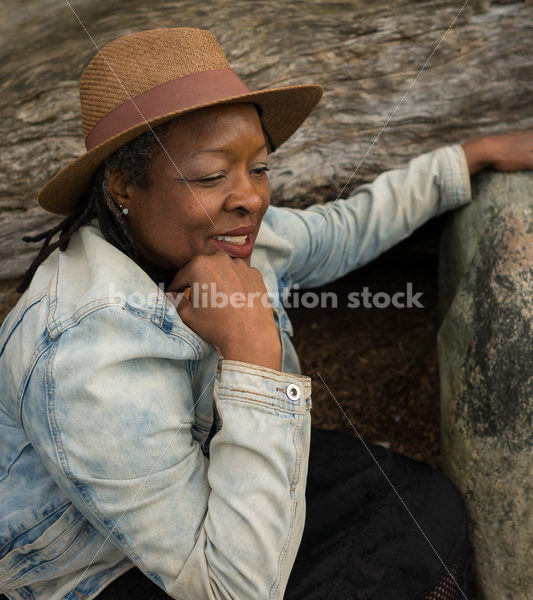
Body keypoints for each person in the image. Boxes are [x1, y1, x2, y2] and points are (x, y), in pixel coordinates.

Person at [0, 27, 532, 600]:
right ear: (124, 185)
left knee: (420, 505)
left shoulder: (228, 238)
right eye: (210, 176)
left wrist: (470, 158)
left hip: (200, 473)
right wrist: (254, 357)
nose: (251, 198)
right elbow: (234, 590)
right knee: (405, 559)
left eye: (259, 167)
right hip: (102, 568)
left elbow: (345, 229)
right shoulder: (87, 352)